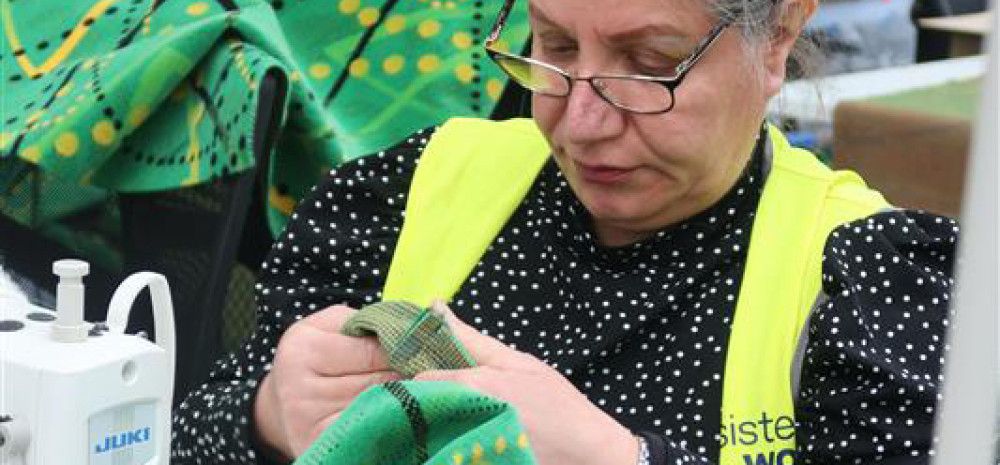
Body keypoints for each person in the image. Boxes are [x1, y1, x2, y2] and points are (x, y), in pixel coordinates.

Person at [171, 0, 959, 463]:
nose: (581, 121)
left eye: (647, 64)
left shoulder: (868, 281)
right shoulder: (411, 189)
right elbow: (183, 434)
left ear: (778, 38)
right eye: (551, 47)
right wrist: (266, 416)